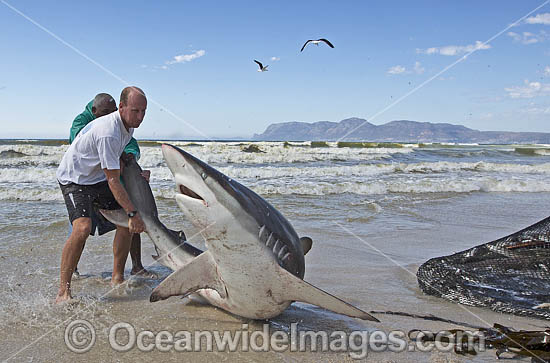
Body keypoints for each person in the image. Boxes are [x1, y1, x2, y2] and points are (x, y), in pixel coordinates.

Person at [56, 86, 148, 304]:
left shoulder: (127, 126)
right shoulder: (109, 131)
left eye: (144, 111)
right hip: (75, 178)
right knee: (82, 228)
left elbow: (118, 160)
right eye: (135, 111)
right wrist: (133, 212)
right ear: (122, 107)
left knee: (125, 224)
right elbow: (113, 180)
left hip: (95, 176)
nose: (140, 117)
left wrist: (132, 166)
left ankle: (117, 279)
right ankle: (63, 292)